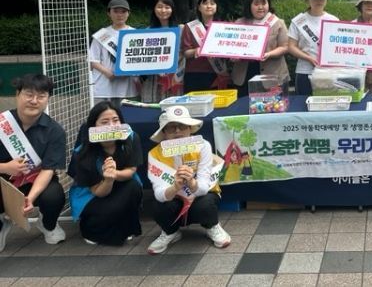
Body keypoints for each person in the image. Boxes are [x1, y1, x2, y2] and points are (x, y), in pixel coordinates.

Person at [147, 106, 230, 254]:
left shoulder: (203, 146)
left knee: (206, 204)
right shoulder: (154, 154)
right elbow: (159, 194)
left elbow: (204, 187)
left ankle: (212, 226)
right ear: (164, 132)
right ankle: (170, 232)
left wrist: (191, 182)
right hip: (175, 198)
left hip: (200, 195)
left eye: (182, 126)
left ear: (190, 128)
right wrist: (174, 187)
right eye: (171, 127)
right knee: (157, 205)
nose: (177, 131)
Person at [0, 74, 67, 252]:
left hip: (37, 181)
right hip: (3, 181)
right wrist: (6, 167)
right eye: (29, 94)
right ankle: (1, 224)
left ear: (48, 99)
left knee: (55, 195)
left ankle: (47, 224)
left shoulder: (55, 131)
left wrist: (30, 198)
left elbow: (48, 170)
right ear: (17, 94)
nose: (34, 101)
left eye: (41, 96)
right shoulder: (2, 123)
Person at [68, 101, 143, 245]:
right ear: (93, 126)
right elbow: (98, 192)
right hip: (92, 195)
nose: (111, 126)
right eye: (104, 122)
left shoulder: (131, 137)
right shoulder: (83, 153)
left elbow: (131, 170)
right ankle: (91, 229)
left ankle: (124, 227)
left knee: (133, 186)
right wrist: (108, 180)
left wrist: (115, 174)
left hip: (121, 183)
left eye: (115, 120)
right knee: (101, 219)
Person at [231, 0, 290, 96]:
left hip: (272, 75)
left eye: (264, 3)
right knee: (243, 105)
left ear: (269, 4)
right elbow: (231, 47)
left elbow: (285, 46)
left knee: (272, 105)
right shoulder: (239, 23)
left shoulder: (277, 23)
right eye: (256, 4)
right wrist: (233, 55)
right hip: (244, 74)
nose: (260, 7)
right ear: (249, 5)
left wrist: (269, 54)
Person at [288, 0, 338, 95]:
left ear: (326, 0)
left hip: (328, 72)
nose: (319, 1)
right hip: (304, 70)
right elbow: (291, 46)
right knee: (303, 102)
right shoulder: (298, 21)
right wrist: (308, 58)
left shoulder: (334, 20)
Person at [89, 0, 138, 108]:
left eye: (123, 11)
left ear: (128, 13)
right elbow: (93, 60)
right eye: (116, 11)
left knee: (126, 117)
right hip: (104, 87)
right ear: (109, 13)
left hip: (127, 87)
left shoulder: (135, 34)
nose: (119, 15)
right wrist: (108, 73)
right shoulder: (102, 34)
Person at [182, 0, 229, 92]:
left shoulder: (224, 27)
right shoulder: (190, 27)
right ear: (199, 7)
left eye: (212, 3)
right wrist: (196, 51)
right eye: (205, 3)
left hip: (217, 73)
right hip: (194, 73)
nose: (209, 6)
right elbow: (185, 52)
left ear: (216, 7)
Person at [141, 0, 184, 102]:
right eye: (159, 7)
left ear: (172, 9)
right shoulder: (147, 31)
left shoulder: (181, 29)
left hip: (175, 76)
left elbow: (184, 51)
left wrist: (169, 64)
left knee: (174, 107)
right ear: (154, 9)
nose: (163, 10)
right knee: (152, 107)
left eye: (167, 7)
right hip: (153, 78)